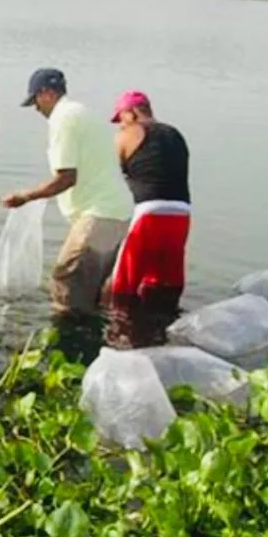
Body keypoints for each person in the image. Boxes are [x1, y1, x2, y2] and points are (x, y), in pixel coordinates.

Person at [3, 68, 132, 318]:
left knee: (66, 281)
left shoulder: (63, 118)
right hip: (117, 214)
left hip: (100, 214)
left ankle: (66, 347)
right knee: (90, 290)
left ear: (47, 94)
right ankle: (93, 348)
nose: (36, 109)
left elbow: (66, 178)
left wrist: (25, 197)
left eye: (35, 101)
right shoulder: (82, 112)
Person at [106, 91, 191, 347]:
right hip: (181, 214)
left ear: (132, 112)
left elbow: (110, 177)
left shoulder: (127, 134)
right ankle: (161, 335)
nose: (120, 124)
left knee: (123, 288)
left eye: (120, 117)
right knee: (165, 283)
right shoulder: (175, 135)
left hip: (149, 215)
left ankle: (123, 337)